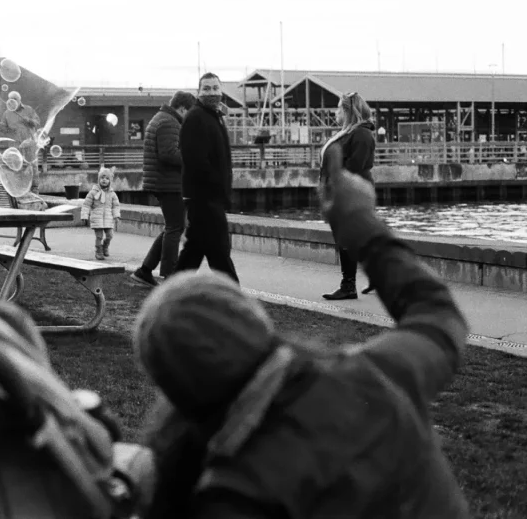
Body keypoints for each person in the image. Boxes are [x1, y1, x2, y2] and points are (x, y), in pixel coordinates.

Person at [133, 144, 470, 518]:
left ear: (175, 395)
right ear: (255, 319)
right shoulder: (375, 375)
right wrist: (360, 224)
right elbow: (437, 315)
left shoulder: (231, 493)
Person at [175, 72, 238, 282]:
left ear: (221, 91)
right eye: (207, 89)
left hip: (210, 198)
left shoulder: (213, 117)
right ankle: (233, 301)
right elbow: (195, 160)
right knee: (219, 253)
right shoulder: (196, 118)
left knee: (193, 254)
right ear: (198, 92)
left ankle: (171, 296)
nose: (212, 92)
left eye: (215, 88)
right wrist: (217, 188)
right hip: (205, 199)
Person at [131, 91, 196, 287]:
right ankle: (169, 276)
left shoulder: (163, 118)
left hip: (163, 182)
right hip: (167, 183)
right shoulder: (169, 122)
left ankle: (145, 271)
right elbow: (168, 154)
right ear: (183, 108)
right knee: (175, 227)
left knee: (173, 226)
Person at [322, 91, 377, 300]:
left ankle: (348, 285)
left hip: (351, 192)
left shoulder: (361, 134)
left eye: (339, 108)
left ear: (348, 111)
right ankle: (375, 275)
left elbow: (355, 165)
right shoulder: (351, 133)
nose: (336, 113)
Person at [81, 166, 121, 260]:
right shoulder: (93, 192)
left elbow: (115, 206)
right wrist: (84, 215)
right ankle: (98, 251)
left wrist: (116, 215)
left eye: (107, 178)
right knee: (99, 236)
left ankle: (105, 247)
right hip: (97, 218)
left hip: (108, 218)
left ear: (110, 181)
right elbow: (86, 205)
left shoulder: (112, 194)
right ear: (99, 179)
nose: (104, 180)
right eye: (102, 178)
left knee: (110, 235)